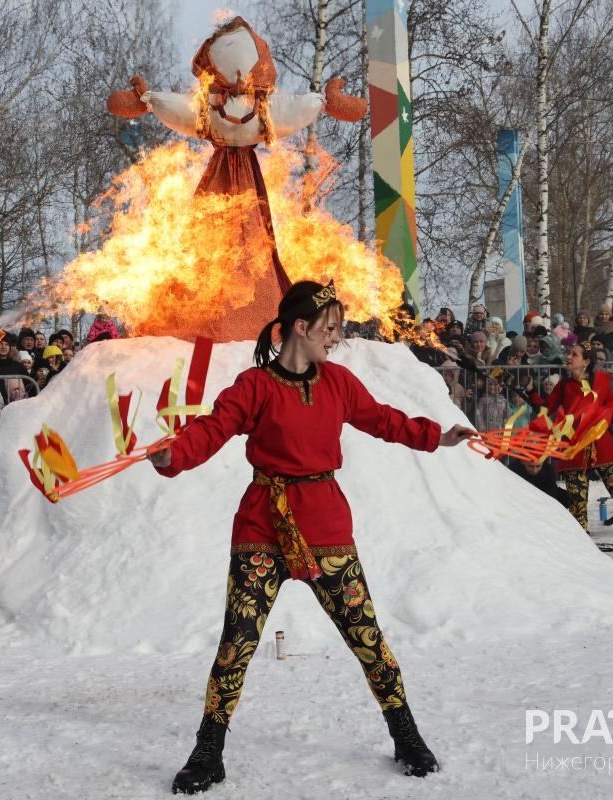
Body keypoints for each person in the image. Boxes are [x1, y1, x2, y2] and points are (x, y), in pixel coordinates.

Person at [147, 280, 476, 794]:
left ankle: (406, 736)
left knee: (368, 639)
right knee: (237, 643)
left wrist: (437, 435)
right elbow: (211, 430)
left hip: (325, 526)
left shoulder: (338, 382)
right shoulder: (254, 386)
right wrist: (174, 456)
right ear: (300, 327)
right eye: (330, 328)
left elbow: (382, 420)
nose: (336, 338)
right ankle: (207, 752)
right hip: (262, 525)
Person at [539, 343, 613, 565]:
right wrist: (528, 391)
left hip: (603, 448)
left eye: (574, 355)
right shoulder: (563, 386)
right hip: (575, 452)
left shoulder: (602, 381)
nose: (568, 357)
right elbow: (544, 410)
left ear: (586, 362)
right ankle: (582, 551)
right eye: (569, 354)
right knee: (577, 505)